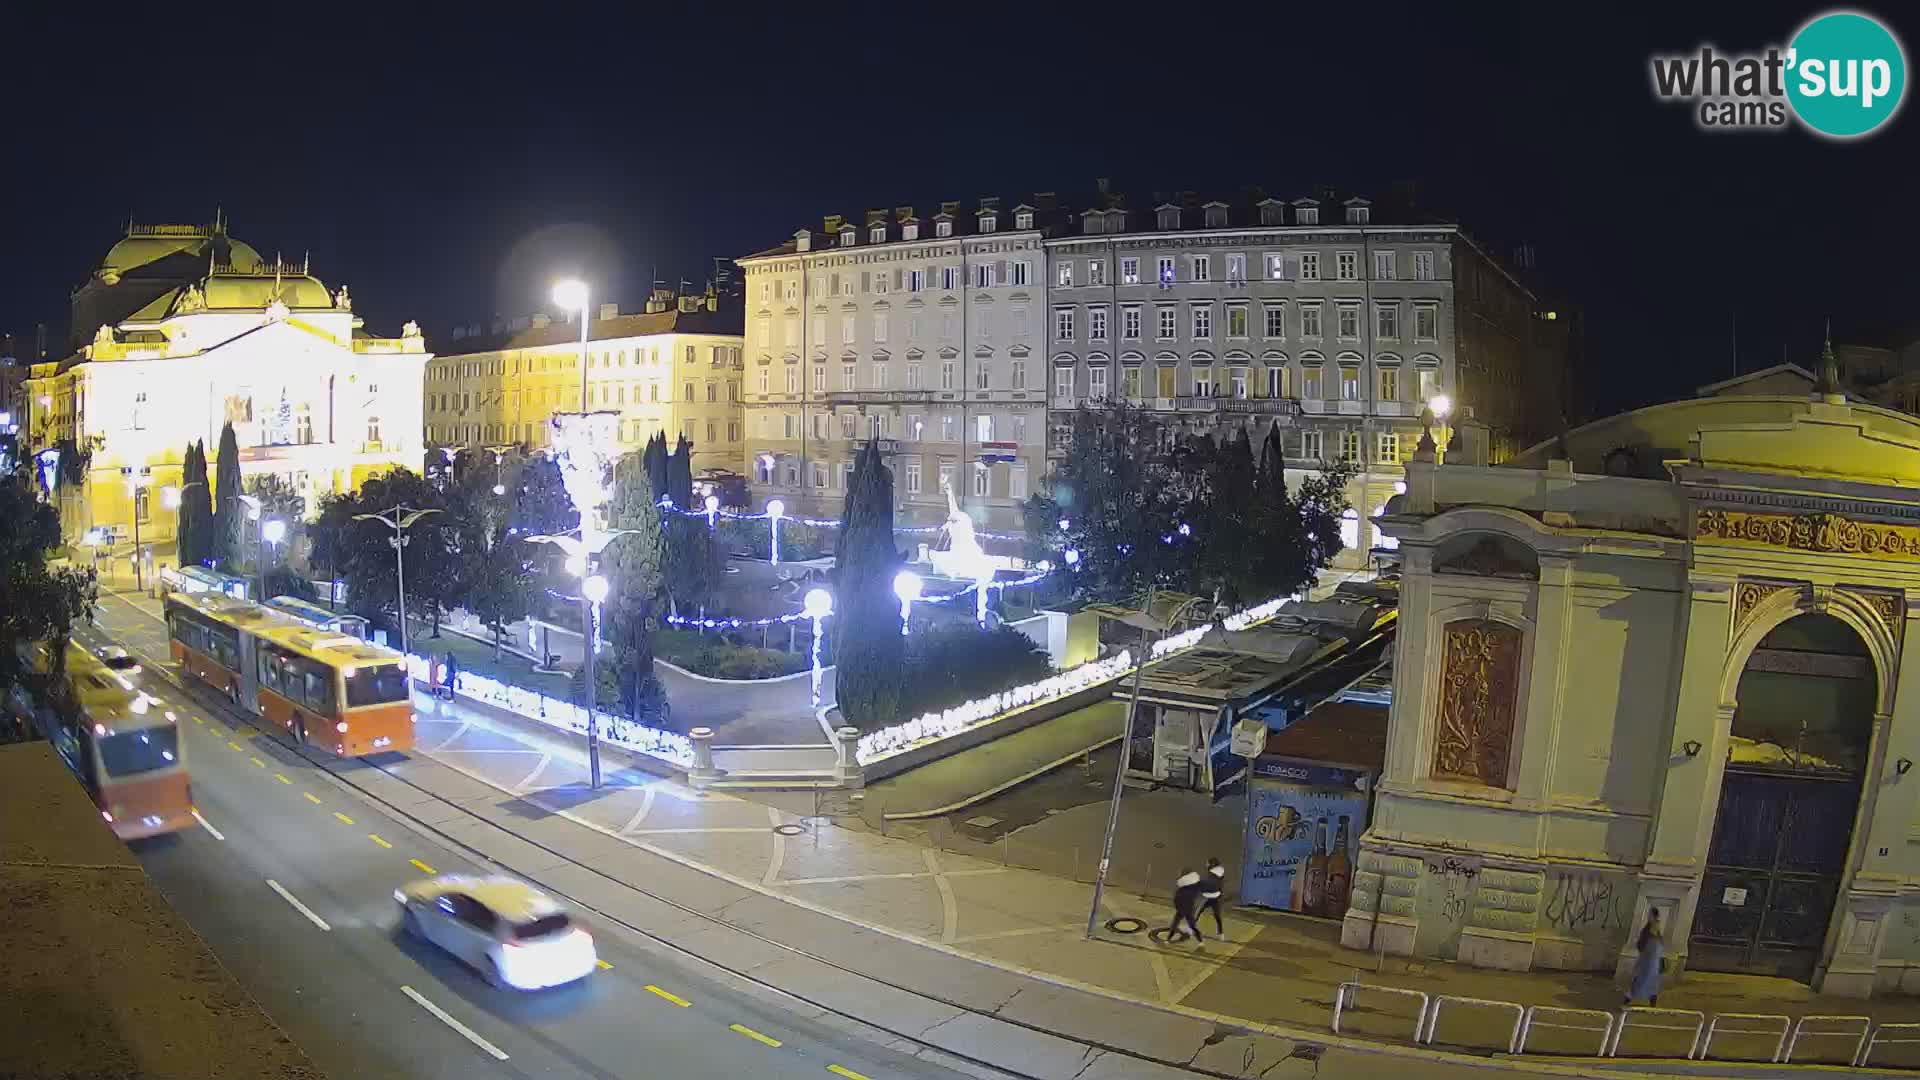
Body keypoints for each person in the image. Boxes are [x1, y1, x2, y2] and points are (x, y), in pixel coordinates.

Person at [1625, 909, 1665, 1007]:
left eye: (1650, 915)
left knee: (1641, 980)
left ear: (1653, 916)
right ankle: (1649, 1000)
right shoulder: (1652, 927)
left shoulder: (1654, 926)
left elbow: (1653, 943)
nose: (1648, 916)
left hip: (1649, 960)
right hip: (1648, 960)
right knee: (1646, 981)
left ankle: (1629, 999)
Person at [1168, 868, 1206, 944]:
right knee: (1191, 925)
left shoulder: (1183, 889)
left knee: (1175, 923)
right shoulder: (1194, 886)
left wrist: (1178, 907)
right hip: (1188, 908)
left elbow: (1178, 899)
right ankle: (1200, 941)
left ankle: (1168, 939)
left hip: (1184, 909)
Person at [1197, 857, 1227, 940]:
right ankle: (1221, 934)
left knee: (1198, 912)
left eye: (1207, 863)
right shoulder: (1218, 873)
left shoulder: (1212, 875)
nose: (1206, 865)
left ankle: (1191, 929)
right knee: (1217, 916)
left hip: (1209, 897)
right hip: (1216, 898)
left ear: (1212, 864)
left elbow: (1211, 886)